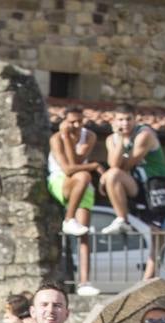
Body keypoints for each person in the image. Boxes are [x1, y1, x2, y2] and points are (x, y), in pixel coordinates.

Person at [48, 106, 102, 297]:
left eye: (80, 121)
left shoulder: (90, 136)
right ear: (64, 121)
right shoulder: (55, 138)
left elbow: (77, 159)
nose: (77, 125)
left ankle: (84, 282)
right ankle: (68, 218)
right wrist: (94, 165)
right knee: (85, 175)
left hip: (81, 182)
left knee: (84, 232)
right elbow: (69, 168)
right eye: (72, 122)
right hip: (60, 180)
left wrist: (69, 140)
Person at [100, 104, 165, 241]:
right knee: (113, 175)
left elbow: (127, 165)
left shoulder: (144, 135)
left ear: (135, 119)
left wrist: (105, 175)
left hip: (157, 186)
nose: (125, 123)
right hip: (136, 185)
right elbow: (114, 165)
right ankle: (122, 220)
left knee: (157, 232)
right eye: (121, 120)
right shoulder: (112, 139)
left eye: (129, 119)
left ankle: (156, 262)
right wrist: (120, 138)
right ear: (114, 122)